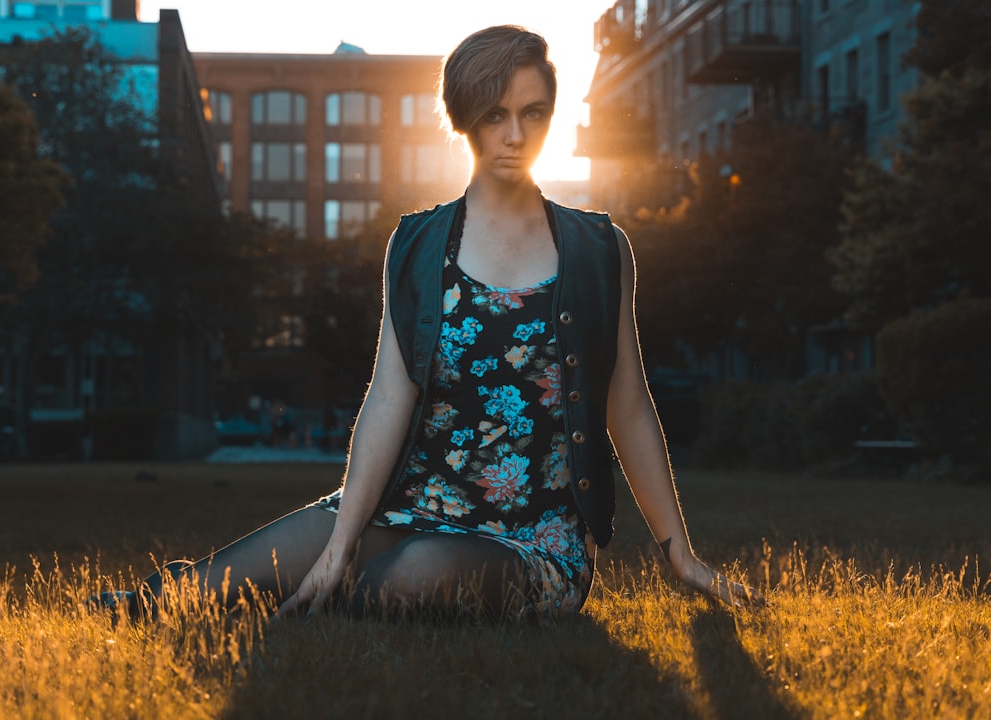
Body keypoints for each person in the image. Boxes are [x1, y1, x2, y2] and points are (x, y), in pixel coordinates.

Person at [94, 25, 762, 621]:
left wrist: (681, 554)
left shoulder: (598, 247)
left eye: (533, 113)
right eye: (494, 114)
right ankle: (217, 589)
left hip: (531, 539)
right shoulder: (416, 244)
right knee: (207, 590)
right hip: (411, 506)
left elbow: (630, 405)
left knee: (407, 583)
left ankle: (358, 586)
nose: (515, 135)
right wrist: (341, 539)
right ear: (463, 120)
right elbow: (390, 396)